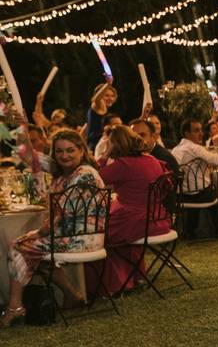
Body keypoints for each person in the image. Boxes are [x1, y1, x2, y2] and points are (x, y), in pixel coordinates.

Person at [2, 129, 103, 327]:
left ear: (82, 150)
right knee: (32, 250)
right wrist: (21, 127)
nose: (64, 155)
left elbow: (61, 215)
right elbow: (27, 155)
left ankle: (15, 307)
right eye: (59, 151)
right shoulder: (64, 171)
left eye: (70, 150)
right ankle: (72, 295)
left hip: (83, 238)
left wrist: (37, 233)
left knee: (18, 246)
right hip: (71, 235)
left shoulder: (84, 175)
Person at [95, 125, 171, 297]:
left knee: (99, 233)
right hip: (158, 218)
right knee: (113, 225)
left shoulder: (124, 164)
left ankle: (119, 282)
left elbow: (93, 178)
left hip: (137, 221)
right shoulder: (151, 159)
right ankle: (136, 276)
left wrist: (105, 156)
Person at [86, 83, 118, 151]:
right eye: (106, 95)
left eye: (112, 96)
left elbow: (85, 128)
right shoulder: (99, 107)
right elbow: (97, 100)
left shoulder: (97, 111)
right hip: (97, 146)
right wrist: (108, 84)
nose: (110, 98)